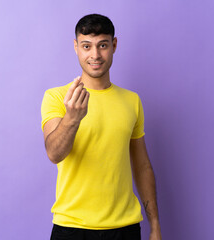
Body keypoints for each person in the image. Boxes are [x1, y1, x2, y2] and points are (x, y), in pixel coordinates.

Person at [41, 14, 162, 240]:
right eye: (86, 46)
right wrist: (73, 118)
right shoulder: (57, 97)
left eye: (102, 45)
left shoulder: (132, 101)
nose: (95, 55)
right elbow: (54, 154)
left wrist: (155, 225)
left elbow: (142, 166)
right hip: (72, 228)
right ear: (76, 47)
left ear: (114, 45)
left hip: (124, 229)